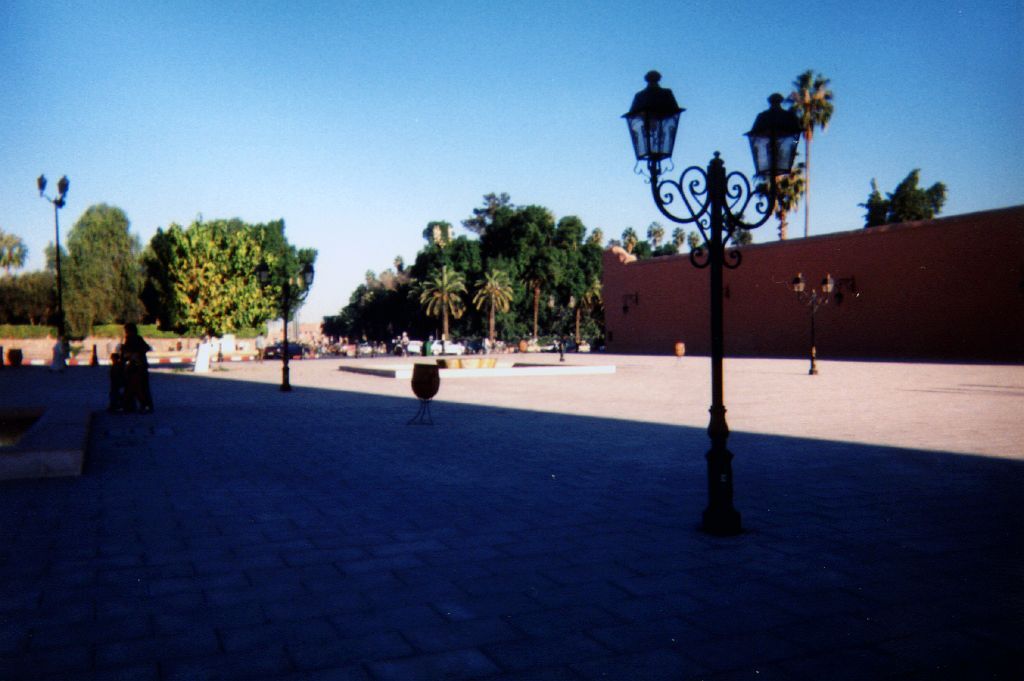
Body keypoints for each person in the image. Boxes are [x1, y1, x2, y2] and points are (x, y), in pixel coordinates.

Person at [121, 323, 154, 413]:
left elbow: (144, 348)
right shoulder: (135, 338)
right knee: (142, 387)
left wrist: (134, 354)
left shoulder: (133, 339)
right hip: (139, 366)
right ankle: (145, 405)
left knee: (137, 387)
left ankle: (142, 405)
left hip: (137, 366)